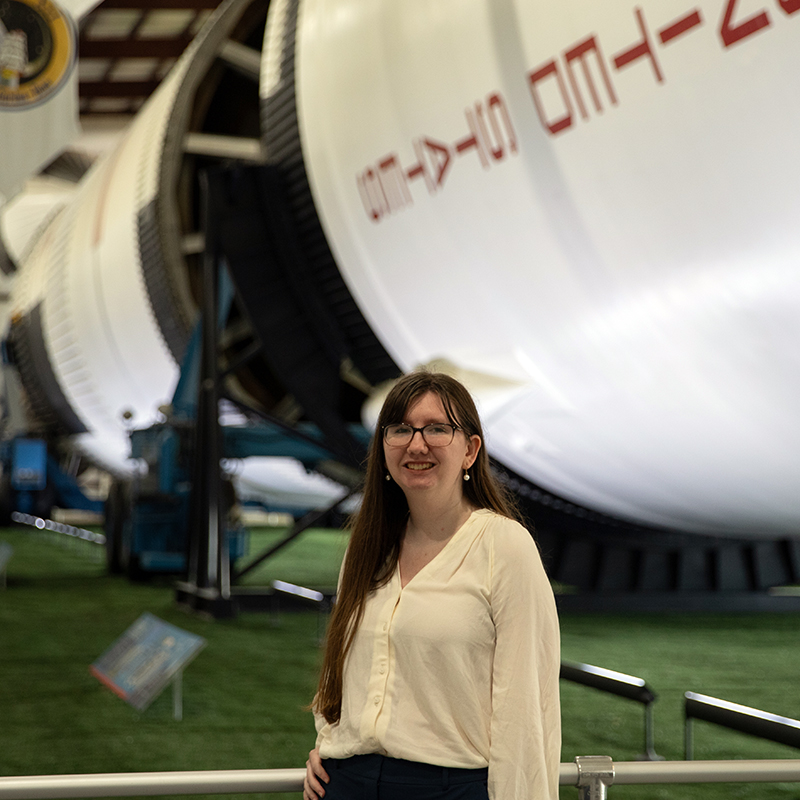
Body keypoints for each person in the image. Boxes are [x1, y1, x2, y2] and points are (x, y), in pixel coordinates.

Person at [304, 371, 560, 800]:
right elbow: (345, 672)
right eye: (400, 429)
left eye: (437, 429)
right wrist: (328, 743)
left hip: (450, 787)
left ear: (470, 450)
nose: (416, 444)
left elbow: (526, 706)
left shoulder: (503, 546)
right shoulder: (368, 547)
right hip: (346, 782)